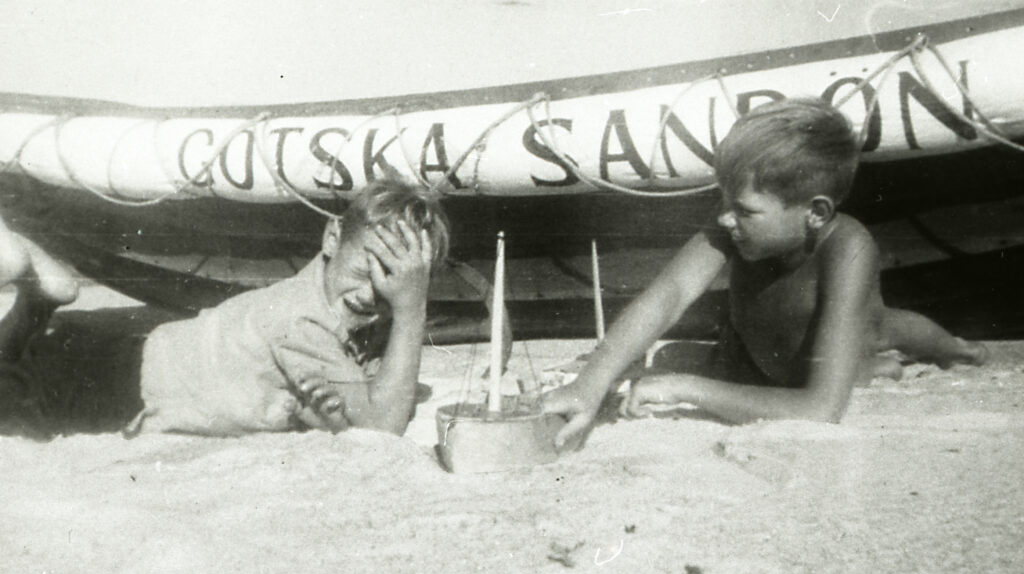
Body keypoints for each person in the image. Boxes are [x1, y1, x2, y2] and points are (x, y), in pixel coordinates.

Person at [544, 97, 987, 450]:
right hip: (766, 358)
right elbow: (672, 293)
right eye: (725, 203)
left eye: (745, 210)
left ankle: (959, 350)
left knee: (885, 330)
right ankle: (879, 365)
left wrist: (687, 388)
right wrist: (590, 382)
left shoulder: (849, 248)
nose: (724, 220)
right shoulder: (737, 223)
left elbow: (820, 409)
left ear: (815, 213)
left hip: (842, 344)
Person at [0, 178, 449, 439]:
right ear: (331, 238)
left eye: (392, 284)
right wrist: (411, 308)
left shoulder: (331, 305)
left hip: (125, 358)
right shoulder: (301, 320)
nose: (374, 295)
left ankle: (41, 297)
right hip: (113, 387)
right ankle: (20, 262)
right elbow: (379, 431)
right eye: (365, 271)